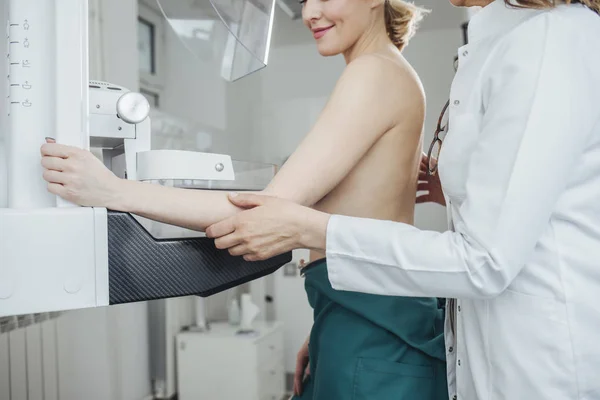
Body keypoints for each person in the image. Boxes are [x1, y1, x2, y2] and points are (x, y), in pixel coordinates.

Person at [40, 0, 449, 398]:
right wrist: (330, 328)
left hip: (372, 326)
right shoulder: (387, 70)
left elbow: (261, 214)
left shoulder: (373, 73)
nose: (309, 13)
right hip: (358, 315)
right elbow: (361, 213)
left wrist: (112, 190)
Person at [206, 0, 600, 399]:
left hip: (539, 368)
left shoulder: (548, 39)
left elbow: (485, 262)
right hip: (427, 335)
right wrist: (339, 323)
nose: (310, 12)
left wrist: (313, 229)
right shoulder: (494, 45)